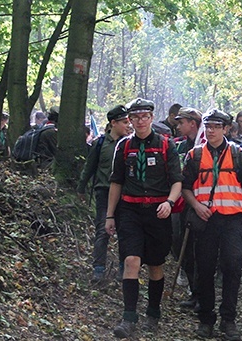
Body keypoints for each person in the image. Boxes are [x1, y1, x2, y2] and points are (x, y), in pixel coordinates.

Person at [182, 109, 242, 341]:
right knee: (205, 269)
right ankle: (206, 319)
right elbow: (186, 187)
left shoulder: (239, 155)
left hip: (232, 221)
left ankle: (229, 319)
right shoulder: (194, 155)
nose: (211, 131)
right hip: (205, 221)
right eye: (208, 126)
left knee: (233, 267)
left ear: (226, 129)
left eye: (216, 127)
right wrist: (196, 206)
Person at [105, 98, 183, 338]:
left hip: (158, 212)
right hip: (130, 211)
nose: (140, 121)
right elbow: (116, 182)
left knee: (155, 264)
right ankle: (129, 317)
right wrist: (109, 215)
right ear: (130, 120)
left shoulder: (166, 146)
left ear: (151, 118)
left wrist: (169, 203)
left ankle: (153, 311)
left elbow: (177, 181)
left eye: (144, 116)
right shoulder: (123, 146)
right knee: (131, 261)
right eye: (135, 117)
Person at [78, 105, 131, 281]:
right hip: (104, 192)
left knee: (125, 232)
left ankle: (124, 269)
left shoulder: (130, 144)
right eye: (124, 122)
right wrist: (81, 188)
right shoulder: (99, 143)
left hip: (126, 195)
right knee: (102, 229)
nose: (128, 125)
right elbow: (90, 166)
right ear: (113, 123)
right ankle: (98, 269)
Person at [171, 107, 202, 308]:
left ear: (192, 123)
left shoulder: (203, 146)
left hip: (199, 202)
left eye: (181, 122)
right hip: (179, 203)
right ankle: (193, 290)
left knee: (199, 249)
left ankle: (202, 294)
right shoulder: (178, 146)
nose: (178, 126)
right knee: (179, 244)